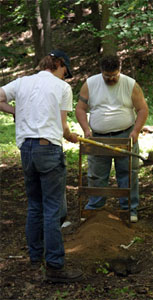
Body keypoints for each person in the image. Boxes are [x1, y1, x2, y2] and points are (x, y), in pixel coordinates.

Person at [0, 50, 83, 283]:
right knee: (53, 208)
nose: (65, 75)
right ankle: (55, 266)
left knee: (35, 205)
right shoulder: (62, 88)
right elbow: (63, 126)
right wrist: (70, 136)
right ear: (58, 64)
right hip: (48, 148)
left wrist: (17, 111)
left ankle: (36, 258)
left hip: (26, 150)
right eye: (65, 69)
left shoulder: (23, 82)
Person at [76, 55, 148, 222]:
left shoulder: (130, 84)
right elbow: (80, 108)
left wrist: (136, 131)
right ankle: (95, 207)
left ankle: (129, 209)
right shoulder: (90, 84)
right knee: (97, 174)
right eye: (107, 76)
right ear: (101, 71)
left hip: (125, 134)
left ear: (120, 70)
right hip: (98, 137)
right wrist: (86, 129)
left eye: (114, 75)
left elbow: (142, 109)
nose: (110, 79)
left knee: (128, 173)